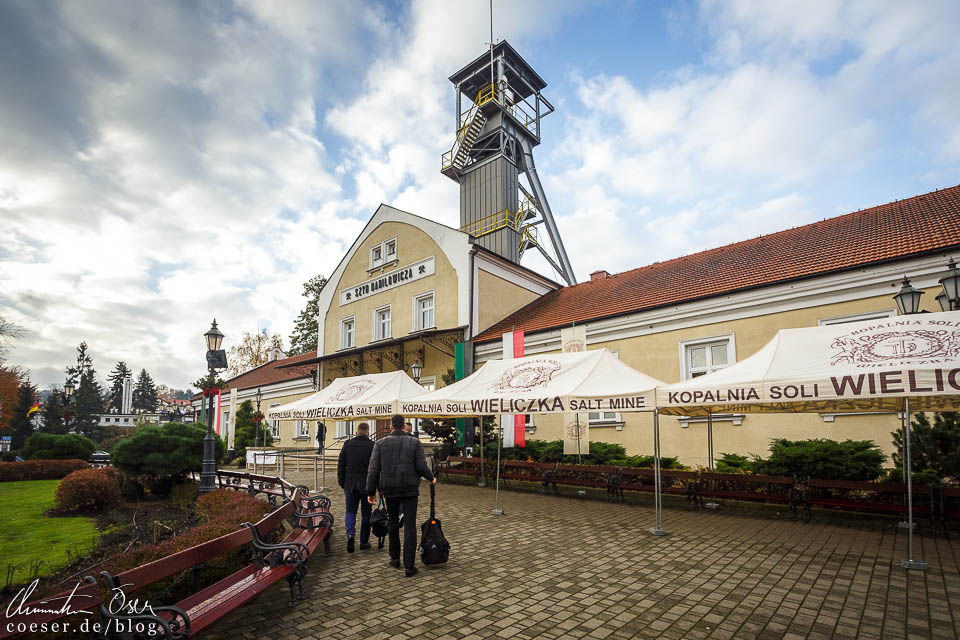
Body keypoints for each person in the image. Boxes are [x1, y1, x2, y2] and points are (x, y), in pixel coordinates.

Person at [367, 414, 436, 576]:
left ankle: (394, 558)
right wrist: (431, 477)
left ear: (391, 427)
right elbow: (421, 465)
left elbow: (373, 470)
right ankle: (409, 566)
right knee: (410, 525)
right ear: (404, 426)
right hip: (410, 489)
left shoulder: (379, 444)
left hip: (389, 489)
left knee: (392, 521)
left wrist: (371, 492)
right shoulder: (414, 442)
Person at [338, 422, 374, 553]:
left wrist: (342, 481)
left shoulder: (348, 444)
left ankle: (350, 535)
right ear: (368, 432)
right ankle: (364, 541)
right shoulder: (372, 445)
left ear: (356, 432)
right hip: (367, 484)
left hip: (350, 483)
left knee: (350, 511)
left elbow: (341, 464)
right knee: (366, 512)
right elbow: (375, 468)